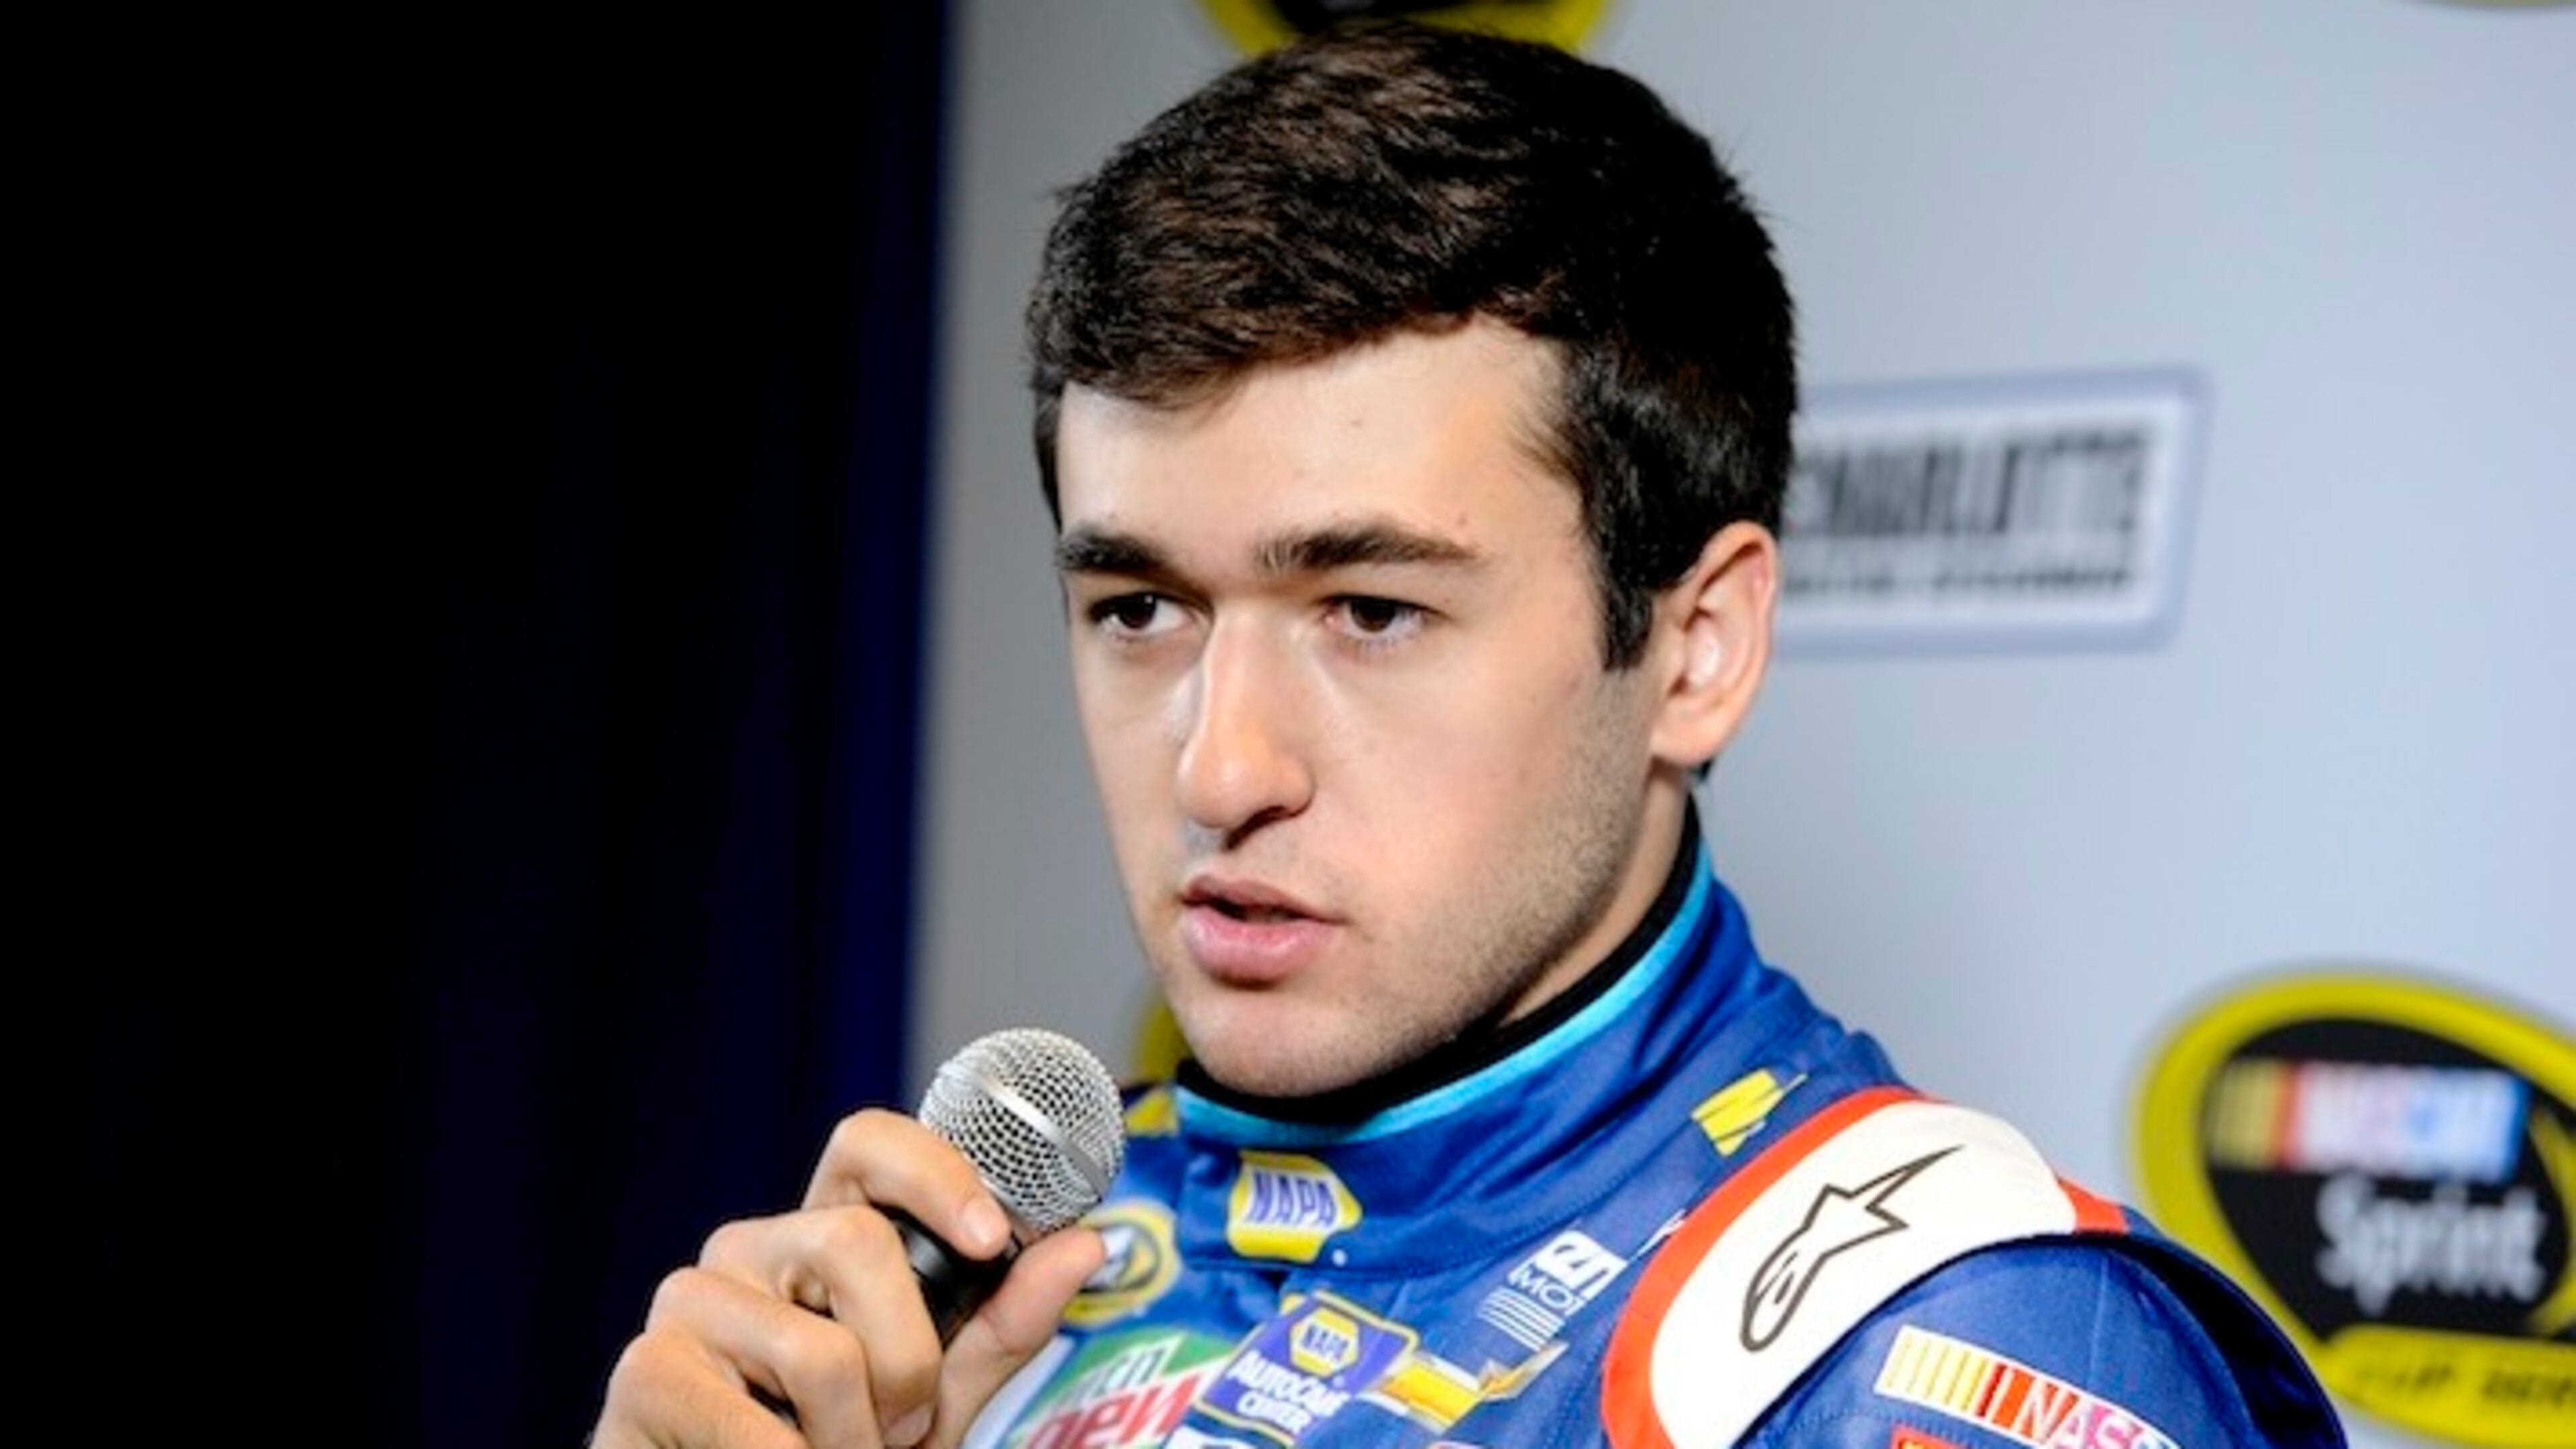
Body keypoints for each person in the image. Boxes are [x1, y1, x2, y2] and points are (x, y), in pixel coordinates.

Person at [591, 22, 2345, 1449]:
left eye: (1370, 613)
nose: (1218, 772)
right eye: (1141, 609)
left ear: (1695, 648)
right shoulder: (1001, 1296)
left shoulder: (1952, 1349)